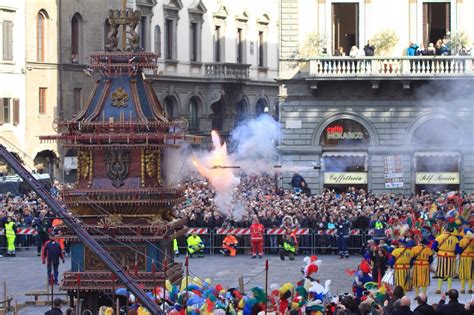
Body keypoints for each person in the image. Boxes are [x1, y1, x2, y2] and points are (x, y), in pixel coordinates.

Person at [432, 226, 460, 293]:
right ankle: (449, 289)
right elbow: (457, 249)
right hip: (451, 256)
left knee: (440, 272)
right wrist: (454, 253)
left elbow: (433, 246)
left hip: (441, 256)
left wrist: (438, 251)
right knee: (450, 273)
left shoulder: (440, 237)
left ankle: (439, 288)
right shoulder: (455, 239)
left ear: (445, 230)